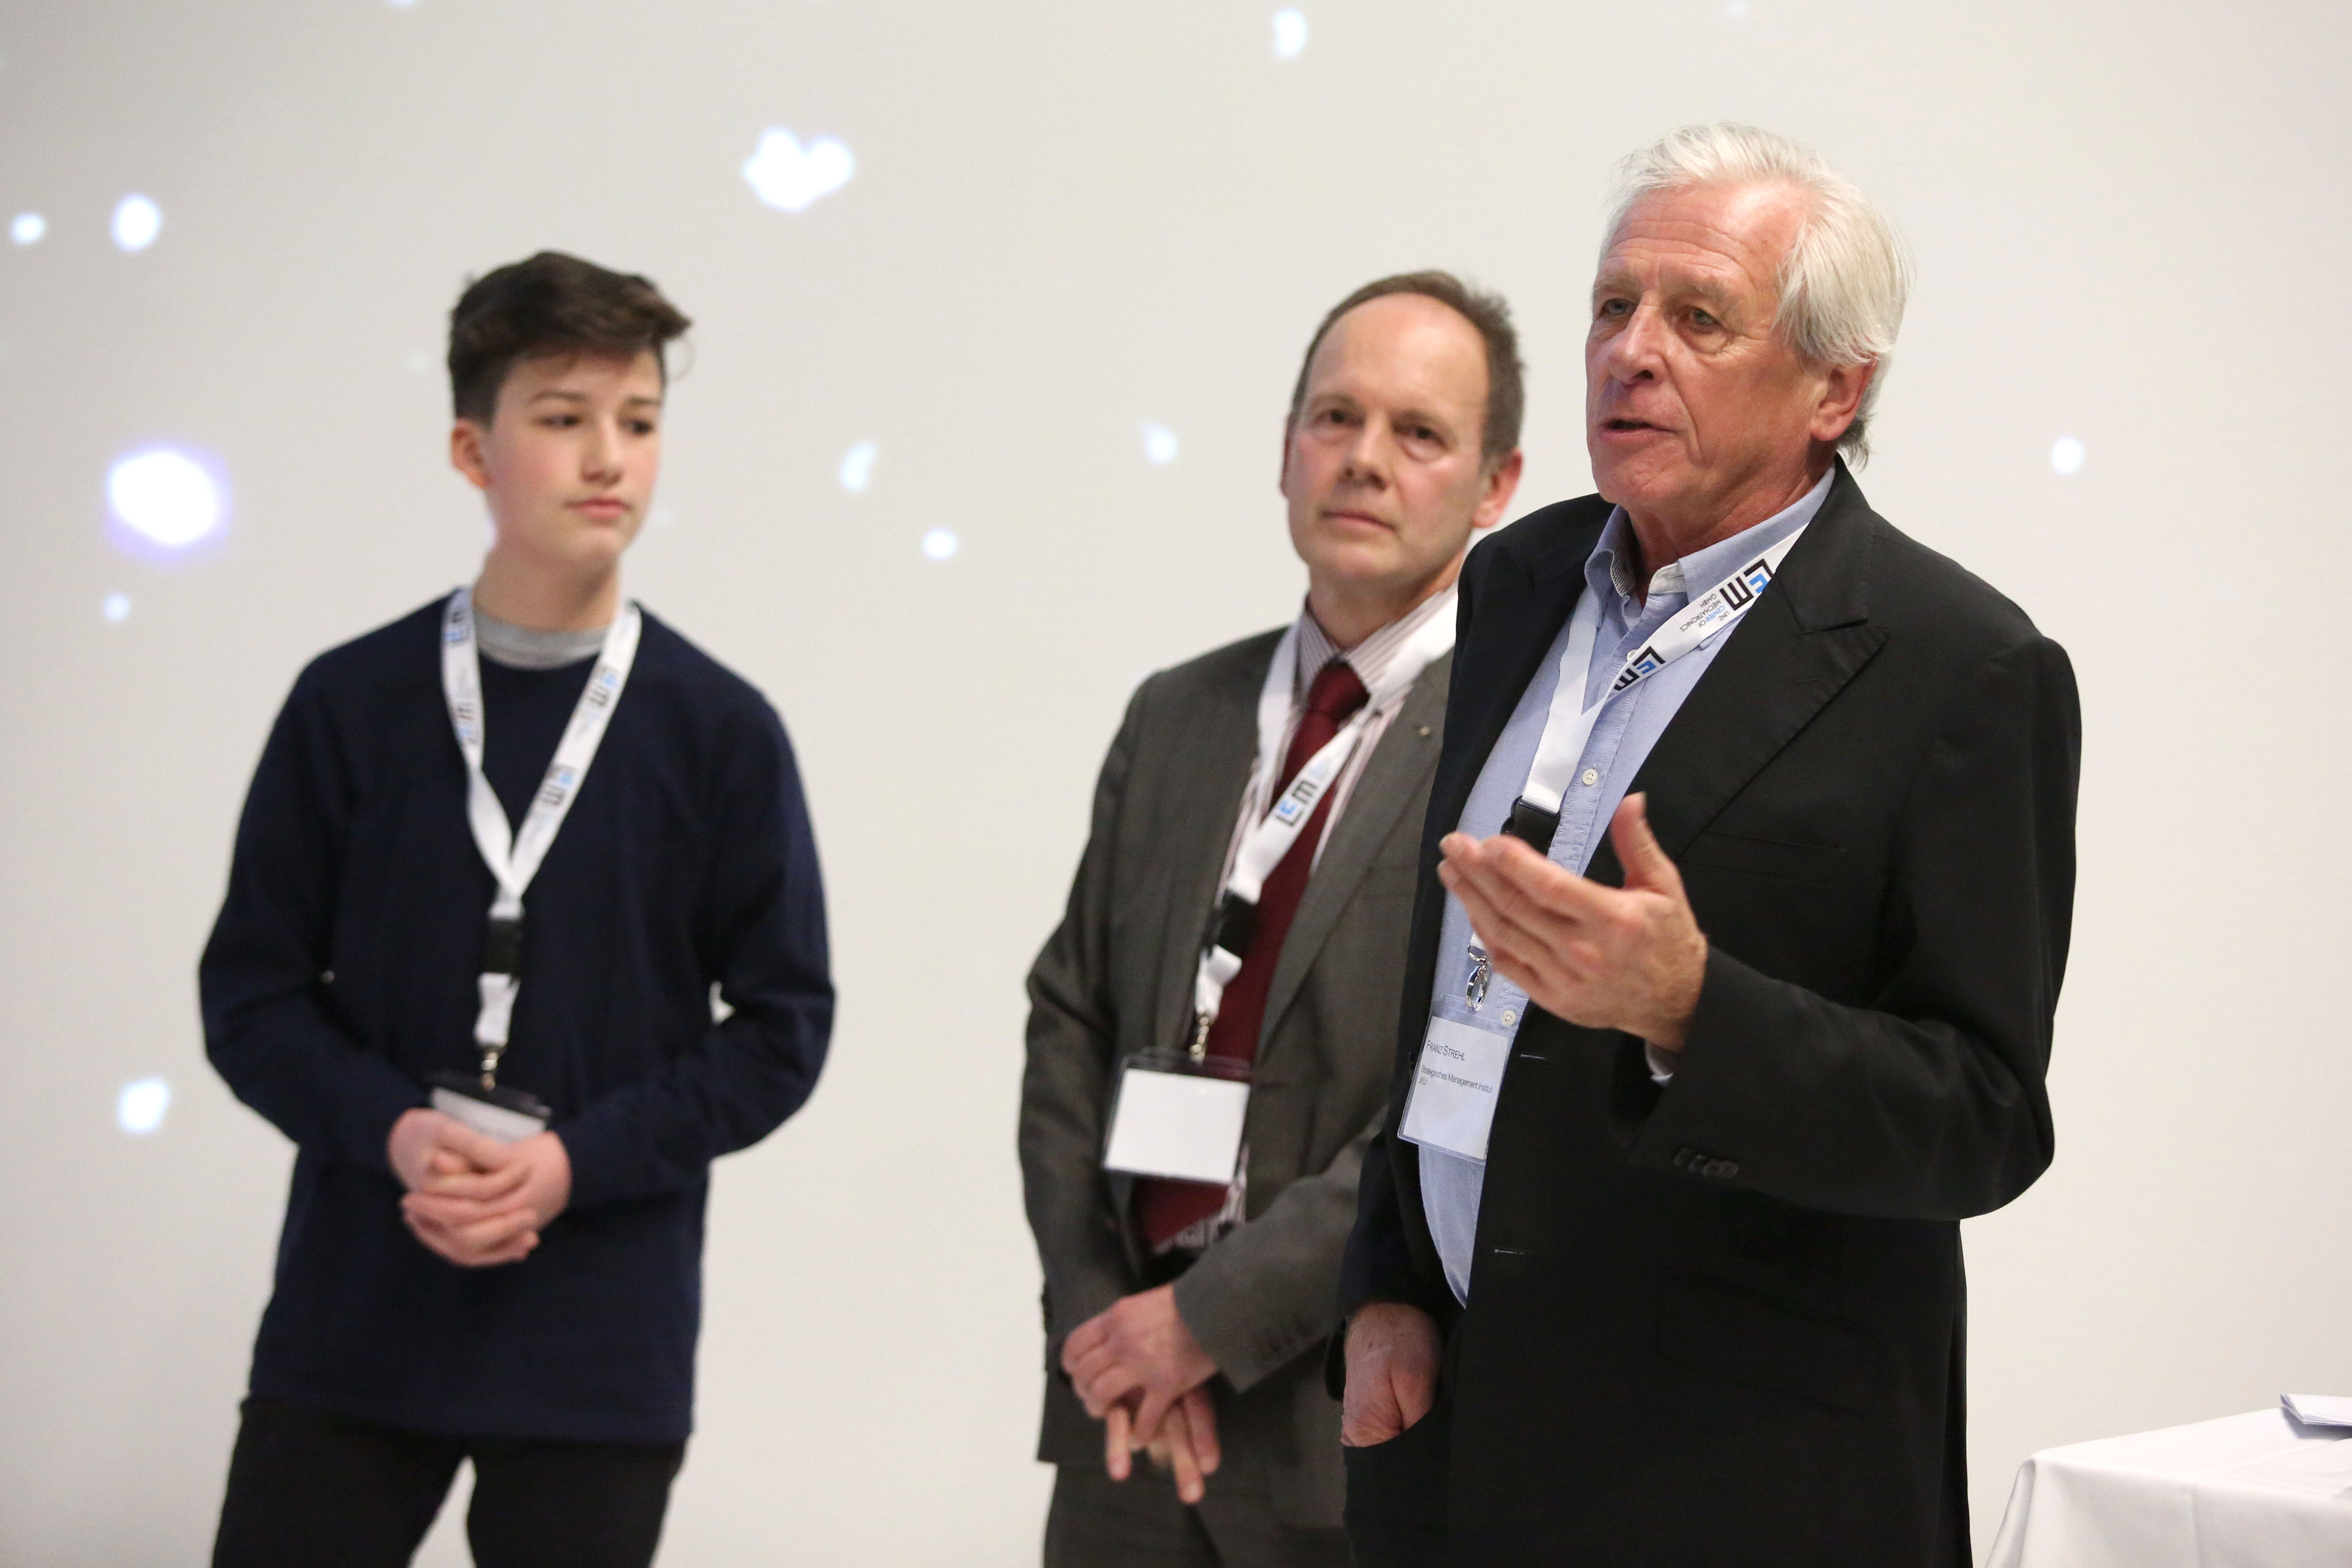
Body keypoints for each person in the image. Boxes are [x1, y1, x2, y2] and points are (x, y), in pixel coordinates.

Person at [1336, 125, 2081, 1568]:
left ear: (1833, 389)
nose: (1630, 353)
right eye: (1613, 306)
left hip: (1729, 1475)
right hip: (1450, 1429)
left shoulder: (1962, 668)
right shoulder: (1517, 577)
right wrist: (1384, 1285)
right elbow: (1451, 991)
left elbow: (1982, 1118)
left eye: (1698, 319)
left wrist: (1692, 1010)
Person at [200, 251, 832, 1568]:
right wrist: (394, 1131)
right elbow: (251, 995)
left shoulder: (719, 730)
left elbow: (783, 1029)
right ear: (470, 449)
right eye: (562, 417)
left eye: (639, 422)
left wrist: (574, 1165)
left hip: (598, 1344)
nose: (608, 458)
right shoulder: (351, 704)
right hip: (356, 1321)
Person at [1021, 272, 1526, 1567]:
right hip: (1123, 1421)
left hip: (1340, 1426)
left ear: (1497, 486)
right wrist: (1105, 1323)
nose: (1364, 459)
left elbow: (1460, 1088)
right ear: (1286, 447)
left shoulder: (1517, 752)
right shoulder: (1176, 714)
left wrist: (1207, 1321)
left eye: (1419, 433)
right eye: (1334, 417)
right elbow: (1068, 1022)